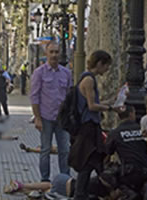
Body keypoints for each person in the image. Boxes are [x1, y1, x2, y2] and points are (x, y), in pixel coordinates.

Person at [69, 50, 115, 200]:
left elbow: (95, 104)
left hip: (91, 125)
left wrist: (113, 100)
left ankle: (82, 193)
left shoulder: (88, 78)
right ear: (100, 63)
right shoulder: (89, 80)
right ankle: (80, 194)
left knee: (92, 161)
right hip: (88, 127)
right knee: (88, 161)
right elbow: (91, 106)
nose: (107, 70)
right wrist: (109, 108)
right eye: (106, 66)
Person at [30, 40, 72, 182]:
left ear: (60, 54)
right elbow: (34, 96)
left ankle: (65, 179)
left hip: (62, 119)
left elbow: (69, 96)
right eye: (51, 52)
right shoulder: (39, 73)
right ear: (46, 54)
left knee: (64, 150)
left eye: (56, 52)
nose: (54, 55)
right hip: (46, 117)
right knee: (45, 150)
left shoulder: (66, 73)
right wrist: (37, 118)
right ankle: (45, 180)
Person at [106, 105, 147, 199]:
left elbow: (107, 152)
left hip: (129, 173)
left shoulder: (115, 133)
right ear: (131, 114)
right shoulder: (142, 130)